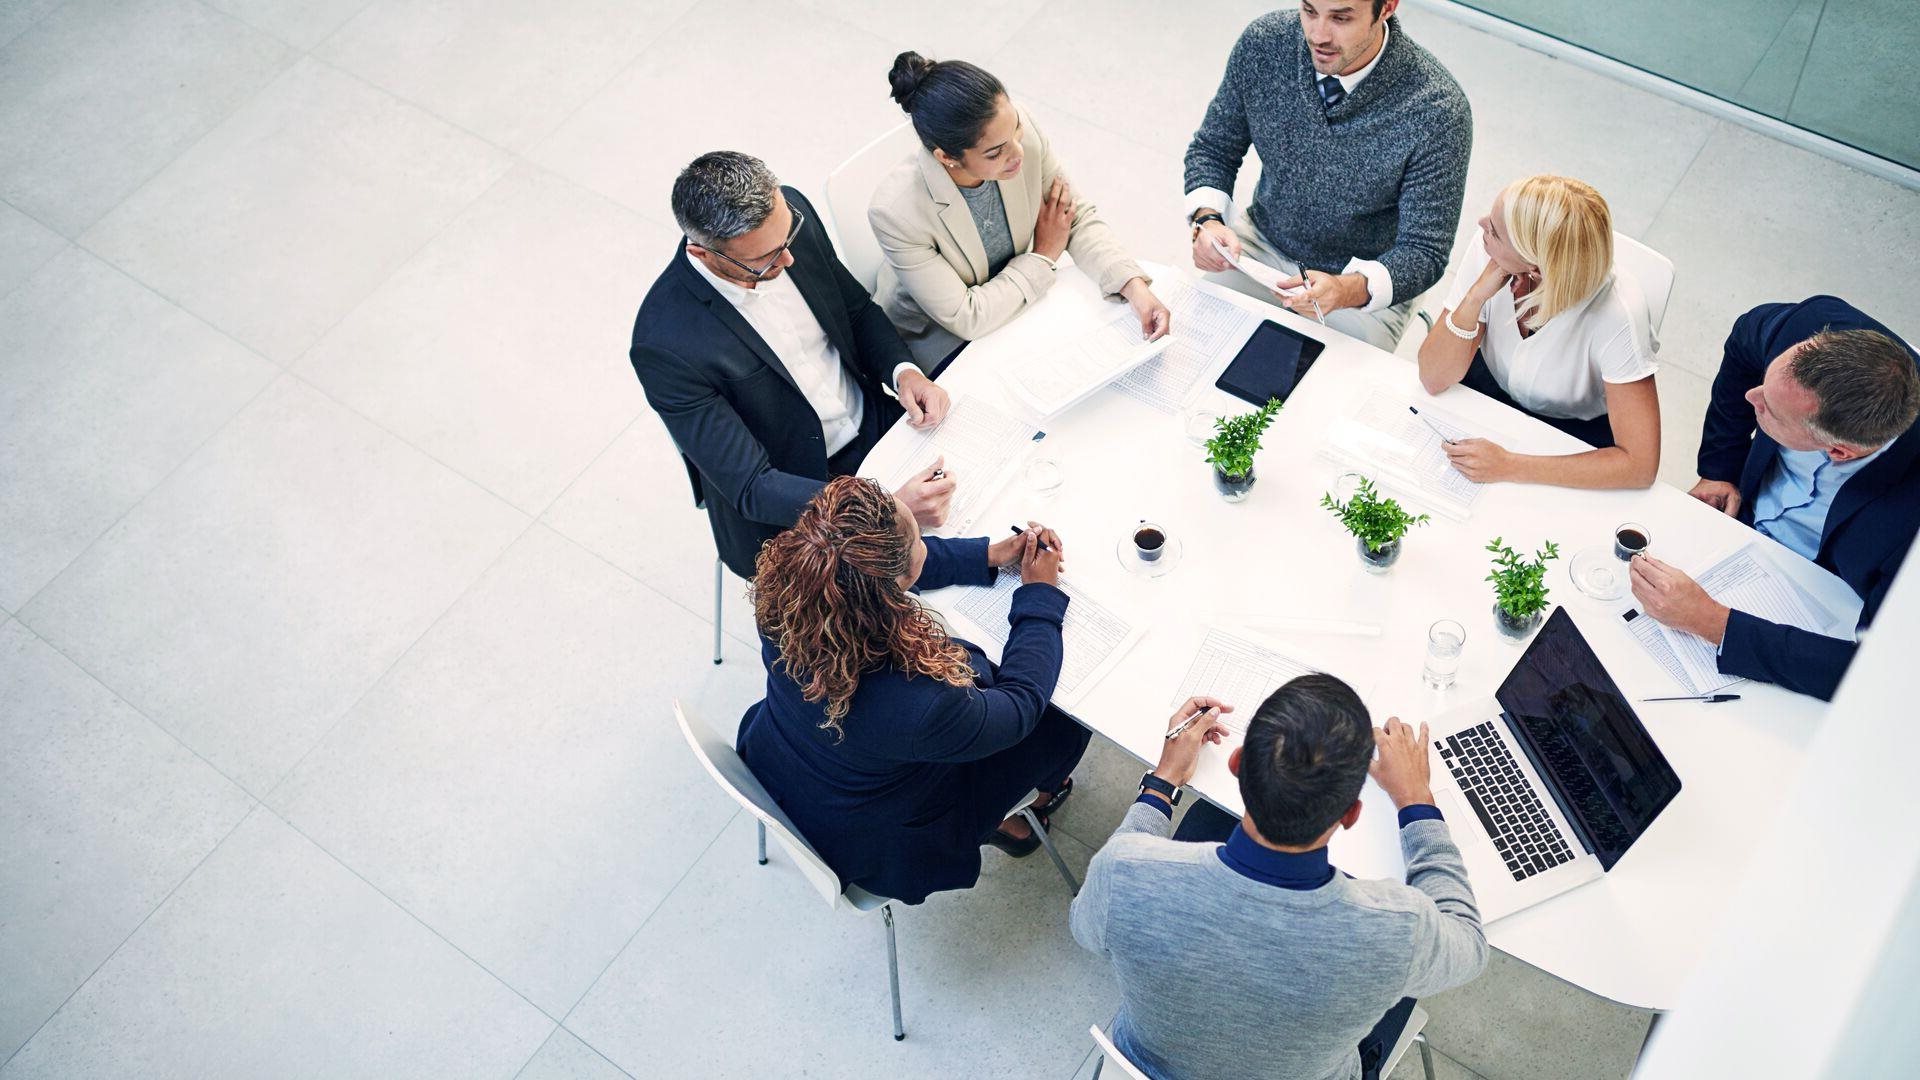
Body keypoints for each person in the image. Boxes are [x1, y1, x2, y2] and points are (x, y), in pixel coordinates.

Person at [1071, 675, 1487, 1080]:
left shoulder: (1122, 872)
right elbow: (1469, 943)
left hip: (1145, 1067)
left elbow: (1085, 928)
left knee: (1203, 819)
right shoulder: (1399, 932)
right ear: (1350, 815)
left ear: (1236, 764)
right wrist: (1415, 800)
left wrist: (1163, 781)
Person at [736, 476, 1091, 905]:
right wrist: (1039, 593)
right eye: (920, 542)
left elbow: (881, 568)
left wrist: (988, 555)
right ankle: (1035, 800)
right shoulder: (922, 701)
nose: (924, 545)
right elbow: (1021, 704)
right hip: (884, 843)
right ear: (892, 585)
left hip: (787, 765)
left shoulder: (785, 588)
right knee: (1064, 723)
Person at [629, 151, 955, 580]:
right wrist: (881, 511)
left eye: (787, 239)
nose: (788, 260)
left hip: (877, 427)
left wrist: (903, 371)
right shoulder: (665, 343)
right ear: (703, 254)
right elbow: (752, 485)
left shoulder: (789, 218)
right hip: (794, 505)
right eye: (766, 258)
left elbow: (855, 311)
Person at [1630, 297, 1920, 701]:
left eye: (1770, 411)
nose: (1752, 397)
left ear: (1839, 451)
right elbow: (1743, 345)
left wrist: (1713, 623)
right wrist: (1720, 468)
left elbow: (1876, 672)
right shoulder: (1808, 325)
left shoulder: (1910, 525)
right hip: (1737, 527)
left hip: (1824, 598)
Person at [1184, 0, 1471, 351]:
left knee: (1322, 383)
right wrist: (1208, 220)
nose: (1318, 35)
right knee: (1193, 352)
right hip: (1261, 246)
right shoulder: (1264, 44)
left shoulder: (1438, 110)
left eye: (1341, 17)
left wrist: (1346, 289)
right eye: (1309, 11)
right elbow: (1213, 148)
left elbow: (1424, 252)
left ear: (1387, 7)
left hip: (1361, 283)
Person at [870, 52, 1171, 369]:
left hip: (1014, 302)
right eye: (995, 153)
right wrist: (1043, 255)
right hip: (939, 337)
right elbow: (966, 317)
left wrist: (1133, 286)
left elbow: (1074, 216)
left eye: (1016, 129)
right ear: (947, 158)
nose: (1017, 154)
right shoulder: (895, 213)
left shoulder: (1018, 134)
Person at [1418, 175, 1661, 487]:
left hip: (1571, 428)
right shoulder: (1489, 249)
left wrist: (1508, 466)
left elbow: (1639, 466)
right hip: (1491, 388)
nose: (1481, 224)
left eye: (1495, 230)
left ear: (1535, 266)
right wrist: (1475, 297)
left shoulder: (1619, 313)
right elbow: (1433, 377)